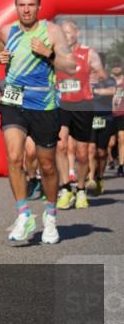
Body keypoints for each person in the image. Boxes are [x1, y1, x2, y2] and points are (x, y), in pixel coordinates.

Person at [0, 0, 75, 244]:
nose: (26, 9)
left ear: (38, 7)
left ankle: (50, 218)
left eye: (31, 4)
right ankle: (23, 214)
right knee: (14, 155)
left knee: (48, 165)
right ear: (15, 6)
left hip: (43, 101)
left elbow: (70, 66)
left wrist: (49, 53)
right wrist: (0, 58)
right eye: (21, 5)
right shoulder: (7, 31)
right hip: (14, 96)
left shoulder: (52, 31)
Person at [54, 19, 107, 210]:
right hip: (62, 104)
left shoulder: (88, 53)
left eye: (68, 32)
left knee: (83, 154)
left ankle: (82, 189)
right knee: (60, 145)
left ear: (76, 33)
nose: (65, 36)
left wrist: (98, 76)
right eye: (62, 33)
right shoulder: (56, 54)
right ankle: (66, 188)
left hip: (83, 105)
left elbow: (102, 74)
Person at [112, 59, 124, 177]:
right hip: (109, 115)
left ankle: (121, 166)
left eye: (118, 66)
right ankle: (112, 157)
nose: (116, 68)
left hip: (122, 114)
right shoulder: (107, 81)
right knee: (110, 142)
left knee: (121, 138)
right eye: (114, 66)